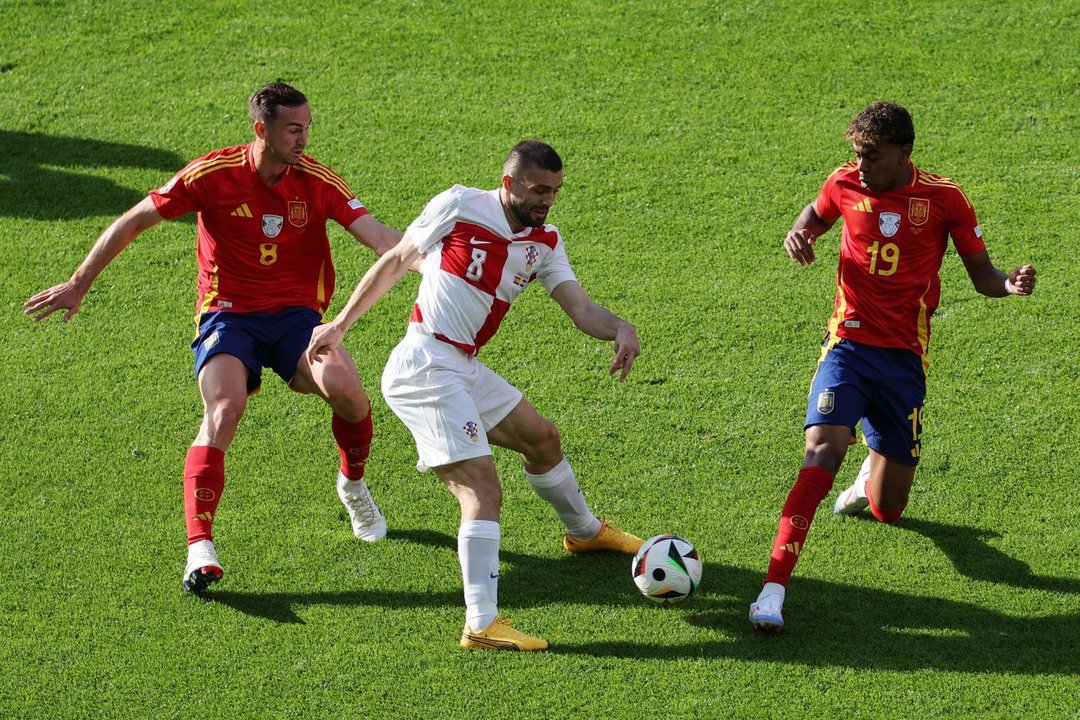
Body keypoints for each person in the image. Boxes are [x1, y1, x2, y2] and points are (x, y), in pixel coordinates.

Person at [24, 82, 401, 593]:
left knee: (349, 389)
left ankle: (353, 485)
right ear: (260, 129)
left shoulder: (316, 181)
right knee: (224, 408)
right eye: (294, 129)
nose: (303, 139)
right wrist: (78, 283)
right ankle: (200, 548)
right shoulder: (212, 175)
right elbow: (135, 221)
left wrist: (436, 256)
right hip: (229, 316)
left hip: (295, 318)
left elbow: (382, 240)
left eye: (307, 127)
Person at [306, 139, 644, 651]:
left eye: (554, 191)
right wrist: (340, 325)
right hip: (424, 365)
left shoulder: (546, 243)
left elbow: (581, 308)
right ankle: (481, 624)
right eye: (537, 190)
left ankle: (585, 532)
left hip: (462, 365)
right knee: (480, 489)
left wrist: (620, 327)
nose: (546, 201)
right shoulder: (461, 204)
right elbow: (397, 260)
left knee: (542, 439)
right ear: (508, 183)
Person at [749, 101, 1037, 632]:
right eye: (856, 154)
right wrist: (801, 235)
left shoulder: (943, 198)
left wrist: (1009, 286)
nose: (859, 166)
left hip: (903, 360)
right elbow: (814, 214)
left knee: (889, 509)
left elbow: (982, 276)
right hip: (848, 347)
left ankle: (870, 477)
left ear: (903, 152)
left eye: (871, 156)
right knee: (820, 453)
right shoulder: (844, 182)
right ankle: (773, 588)